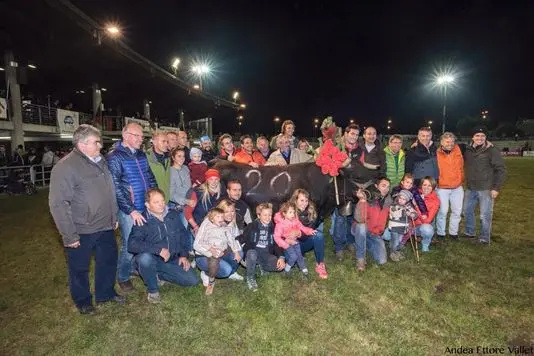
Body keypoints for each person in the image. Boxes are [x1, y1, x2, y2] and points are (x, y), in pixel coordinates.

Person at [49, 124, 123, 314]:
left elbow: (109, 190)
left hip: (105, 225)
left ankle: (105, 293)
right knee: (79, 268)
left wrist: (113, 216)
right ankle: (83, 301)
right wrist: (69, 235)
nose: (100, 146)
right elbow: (58, 203)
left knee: (107, 261)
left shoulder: (101, 161)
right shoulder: (65, 167)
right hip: (82, 229)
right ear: (82, 144)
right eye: (96, 142)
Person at [107, 122, 157, 294]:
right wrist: (131, 210)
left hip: (144, 206)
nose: (141, 139)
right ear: (125, 135)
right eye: (137, 136)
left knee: (144, 240)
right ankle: (122, 276)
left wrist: (155, 198)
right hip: (129, 210)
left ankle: (134, 268)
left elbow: (150, 177)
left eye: (142, 136)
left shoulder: (141, 155)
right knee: (129, 245)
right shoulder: (115, 157)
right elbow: (115, 187)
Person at [128, 188, 199, 304]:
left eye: (162, 201)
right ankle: (153, 289)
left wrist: (183, 255)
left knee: (192, 280)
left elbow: (183, 235)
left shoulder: (173, 215)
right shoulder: (142, 220)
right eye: (156, 202)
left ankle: (156, 274)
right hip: (153, 258)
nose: (161, 205)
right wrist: (158, 250)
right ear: (147, 205)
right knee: (144, 259)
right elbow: (132, 244)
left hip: (173, 258)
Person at [463, 126, 507, 244]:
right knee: (466, 211)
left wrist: (496, 188)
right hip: (471, 187)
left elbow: (501, 169)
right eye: (477, 135)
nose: (480, 138)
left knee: (485, 215)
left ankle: (484, 238)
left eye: (482, 136)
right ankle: (469, 232)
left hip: (486, 188)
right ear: (472, 137)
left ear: (485, 137)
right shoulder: (468, 149)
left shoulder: (492, 150)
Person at [194, 208, 243, 295]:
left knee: (239, 253)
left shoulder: (224, 227)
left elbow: (231, 239)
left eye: (222, 216)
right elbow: (200, 243)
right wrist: (210, 249)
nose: (221, 218)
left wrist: (236, 252)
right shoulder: (207, 227)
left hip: (223, 250)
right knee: (214, 262)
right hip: (210, 252)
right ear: (212, 219)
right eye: (218, 217)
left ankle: (233, 270)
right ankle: (211, 280)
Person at [240, 203, 286, 291]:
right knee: (252, 253)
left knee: (280, 267)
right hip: (253, 253)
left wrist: (281, 257)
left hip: (266, 254)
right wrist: (241, 252)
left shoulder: (273, 228)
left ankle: (262, 266)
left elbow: (277, 243)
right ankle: (250, 277)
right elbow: (242, 238)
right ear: (258, 215)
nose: (268, 217)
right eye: (265, 215)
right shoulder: (252, 226)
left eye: (270, 215)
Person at [351, 177, 392, 272]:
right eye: (383, 186)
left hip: (375, 234)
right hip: (361, 228)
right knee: (361, 226)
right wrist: (362, 201)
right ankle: (360, 259)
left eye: (388, 187)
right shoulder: (368, 198)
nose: (386, 189)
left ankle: (360, 243)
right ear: (376, 186)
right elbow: (359, 219)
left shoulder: (388, 202)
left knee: (382, 260)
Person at [290, 189, 328, 279]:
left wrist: (300, 233)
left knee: (319, 235)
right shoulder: (289, 211)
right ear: (295, 200)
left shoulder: (311, 211)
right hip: (291, 245)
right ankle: (295, 258)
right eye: (301, 200)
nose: (304, 203)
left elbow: (310, 231)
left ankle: (320, 264)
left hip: (304, 242)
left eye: (306, 200)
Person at [274, 202, 316, 278]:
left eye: (293, 212)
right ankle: (286, 270)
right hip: (287, 245)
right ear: (284, 213)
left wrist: (310, 231)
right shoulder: (280, 224)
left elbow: (302, 227)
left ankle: (304, 269)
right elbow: (277, 237)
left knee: (299, 255)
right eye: (290, 212)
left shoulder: (295, 221)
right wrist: (286, 244)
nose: (293, 214)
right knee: (293, 257)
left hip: (295, 242)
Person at [435, 132, 465, 241]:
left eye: (452, 141)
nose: (450, 144)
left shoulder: (458, 150)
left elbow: (461, 166)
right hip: (442, 187)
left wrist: (461, 178)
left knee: (457, 211)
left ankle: (453, 233)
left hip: (457, 187)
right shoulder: (436, 152)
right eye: (447, 141)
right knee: (443, 211)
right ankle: (440, 233)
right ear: (442, 142)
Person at [184, 168, 222, 235]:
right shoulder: (198, 192)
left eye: (216, 179)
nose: (214, 182)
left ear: (219, 180)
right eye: (211, 179)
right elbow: (187, 212)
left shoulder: (220, 194)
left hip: (212, 228)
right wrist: (195, 227)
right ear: (207, 180)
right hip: (197, 226)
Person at [169, 147, 193, 249]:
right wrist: (185, 201)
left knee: (189, 226)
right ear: (173, 158)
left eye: (183, 156)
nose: (182, 158)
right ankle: (180, 252)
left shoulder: (186, 168)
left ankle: (189, 248)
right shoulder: (170, 171)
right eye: (179, 156)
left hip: (190, 202)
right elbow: (171, 193)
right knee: (181, 228)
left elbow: (189, 187)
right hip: (179, 204)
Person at [388, 190, 418, 261]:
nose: (401, 200)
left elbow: (415, 214)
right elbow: (395, 214)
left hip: (402, 228)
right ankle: (393, 253)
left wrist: (411, 214)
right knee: (395, 241)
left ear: (407, 200)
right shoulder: (394, 205)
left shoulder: (408, 206)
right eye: (400, 198)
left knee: (399, 240)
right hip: (394, 227)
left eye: (403, 199)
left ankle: (396, 251)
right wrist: (405, 213)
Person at [413, 177, 440, 252]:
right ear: (421, 185)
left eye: (429, 185)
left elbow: (427, 221)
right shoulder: (414, 194)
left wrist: (417, 206)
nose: (426, 188)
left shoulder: (435, 201)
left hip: (420, 227)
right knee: (386, 236)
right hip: (409, 225)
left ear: (433, 187)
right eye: (424, 185)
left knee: (427, 229)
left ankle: (425, 244)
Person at [146, 131, 171, 202]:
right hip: (154, 201)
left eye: (167, 142)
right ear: (154, 142)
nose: (166, 144)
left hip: (167, 199)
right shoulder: (146, 158)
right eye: (163, 141)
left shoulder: (168, 158)